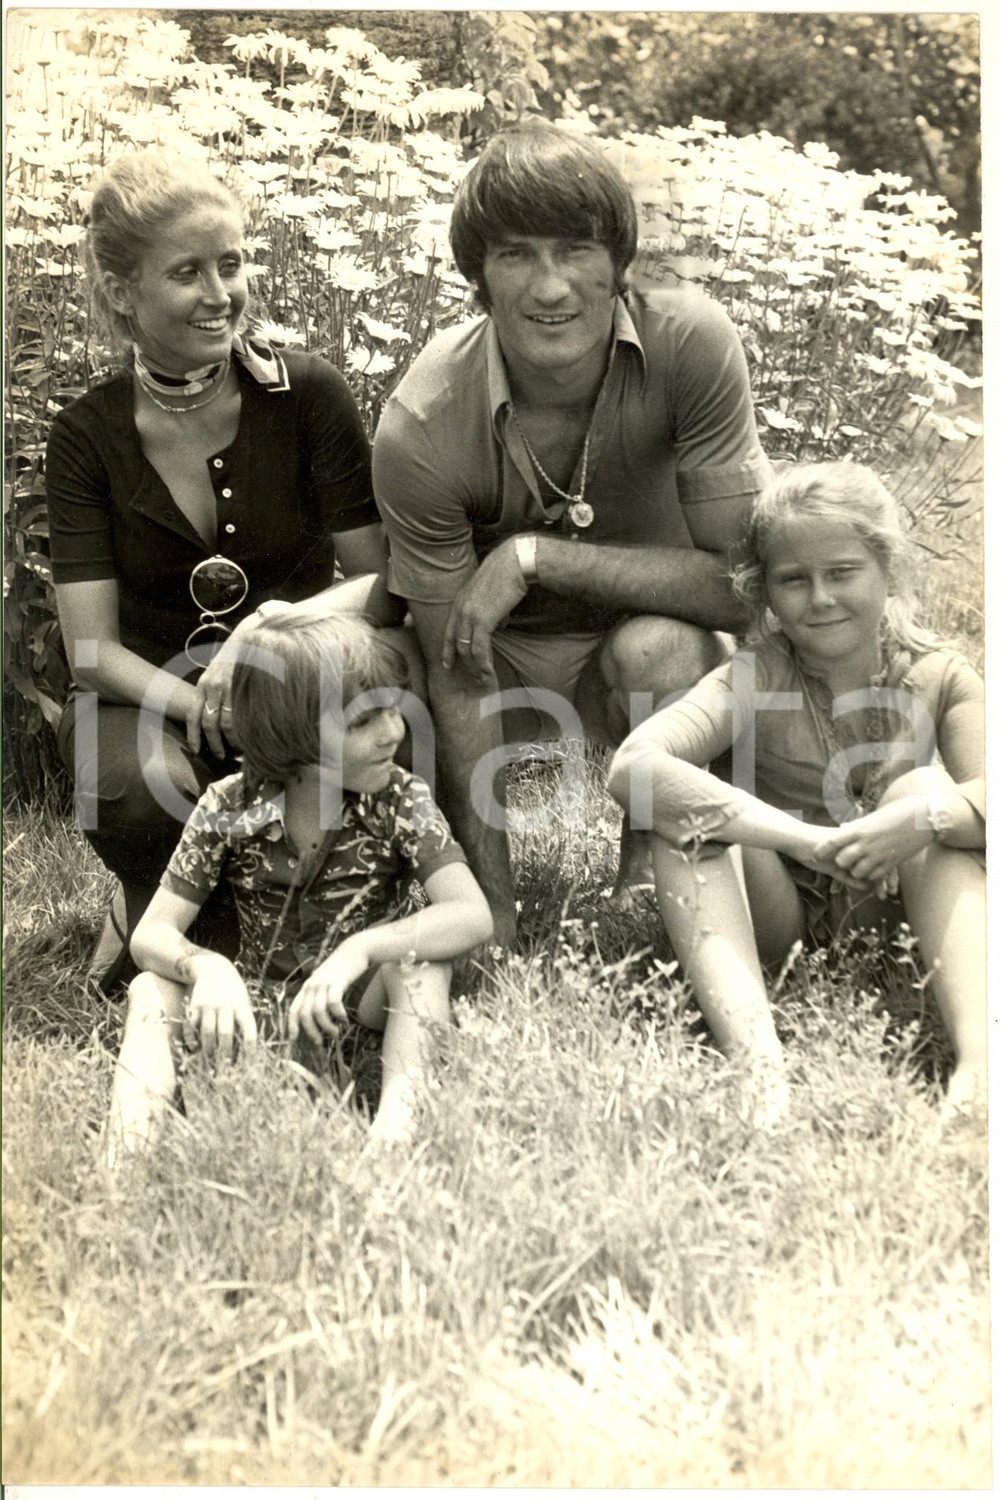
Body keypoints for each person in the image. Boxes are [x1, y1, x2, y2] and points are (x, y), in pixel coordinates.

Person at [372, 122, 772, 945]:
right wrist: (497, 909)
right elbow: (458, 672)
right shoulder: (422, 421)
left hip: (642, 652)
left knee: (663, 649)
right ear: (478, 275)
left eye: (577, 249)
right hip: (498, 660)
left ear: (618, 261)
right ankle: (423, 893)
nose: (550, 287)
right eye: (516, 254)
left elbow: (744, 588)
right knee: (387, 675)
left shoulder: (691, 344)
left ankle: (647, 884)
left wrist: (537, 557)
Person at [47, 149, 404, 985]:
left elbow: (385, 582)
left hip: (303, 674)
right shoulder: (85, 437)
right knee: (138, 792)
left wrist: (271, 636)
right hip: (144, 694)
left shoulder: (309, 394)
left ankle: (270, 907)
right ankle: (159, 897)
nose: (221, 295)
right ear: (122, 292)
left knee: (384, 750)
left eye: (231, 264)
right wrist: (209, 713)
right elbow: (92, 652)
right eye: (188, 273)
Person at [607, 461, 986, 1126]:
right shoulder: (757, 674)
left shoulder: (943, 677)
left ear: (888, 569)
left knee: (927, 788)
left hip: (902, 913)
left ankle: (981, 1066)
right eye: (794, 580)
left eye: (842, 573)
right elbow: (632, 768)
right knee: (688, 815)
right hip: (782, 916)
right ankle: (760, 1068)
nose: (820, 598)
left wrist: (923, 819)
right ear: (766, 594)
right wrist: (799, 839)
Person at [106, 610, 493, 1163]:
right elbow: (152, 936)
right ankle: (124, 1162)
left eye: (392, 708)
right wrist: (206, 967)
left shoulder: (398, 800)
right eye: (363, 721)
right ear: (292, 737)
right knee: (151, 989)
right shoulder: (228, 806)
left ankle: (394, 1137)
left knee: (423, 966)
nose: (393, 732)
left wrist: (359, 950)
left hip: (361, 1009)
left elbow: (471, 915)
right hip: (258, 1008)